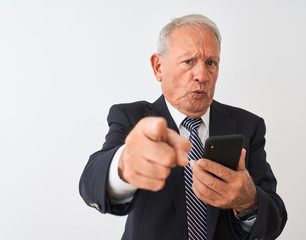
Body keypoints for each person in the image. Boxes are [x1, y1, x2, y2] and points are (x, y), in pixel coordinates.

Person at [79, 14, 287, 240]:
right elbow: (90, 185)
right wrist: (123, 165)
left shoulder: (248, 125)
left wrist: (249, 201)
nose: (202, 76)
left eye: (211, 63)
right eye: (188, 62)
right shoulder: (132, 118)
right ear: (158, 67)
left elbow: (274, 219)